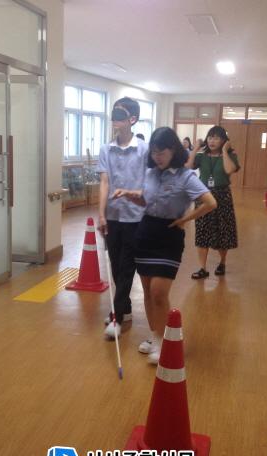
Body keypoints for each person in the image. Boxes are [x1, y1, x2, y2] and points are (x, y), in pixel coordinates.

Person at [114, 127, 217, 364]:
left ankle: (165, 341)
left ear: (173, 150)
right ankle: (155, 337)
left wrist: (185, 219)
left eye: (162, 152)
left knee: (159, 293)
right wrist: (129, 194)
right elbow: (146, 200)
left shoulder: (186, 176)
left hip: (169, 237)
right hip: (145, 233)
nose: (157, 156)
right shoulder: (151, 173)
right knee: (148, 293)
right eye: (154, 152)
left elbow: (210, 202)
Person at [97, 97, 149, 339]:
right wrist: (101, 214)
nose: (115, 119)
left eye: (121, 114)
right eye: (114, 114)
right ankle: (125, 308)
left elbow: (149, 183)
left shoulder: (144, 149)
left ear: (132, 119)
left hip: (136, 217)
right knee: (116, 266)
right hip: (113, 216)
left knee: (127, 266)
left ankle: (117, 315)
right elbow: (104, 182)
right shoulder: (106, 149)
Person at [185, 125, 240, 279]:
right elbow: (188, 167)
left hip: (222, 196)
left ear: (224, 141)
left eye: (216, 138)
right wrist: (195, 149)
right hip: (203, 196)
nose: (212, 141)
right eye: (210, 137)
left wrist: (225, 151)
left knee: (223, 231)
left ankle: (222, 262)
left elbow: (229, 170)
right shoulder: (202, 156)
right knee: (202, 231)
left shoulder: (230, 155)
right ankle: (202, 268)